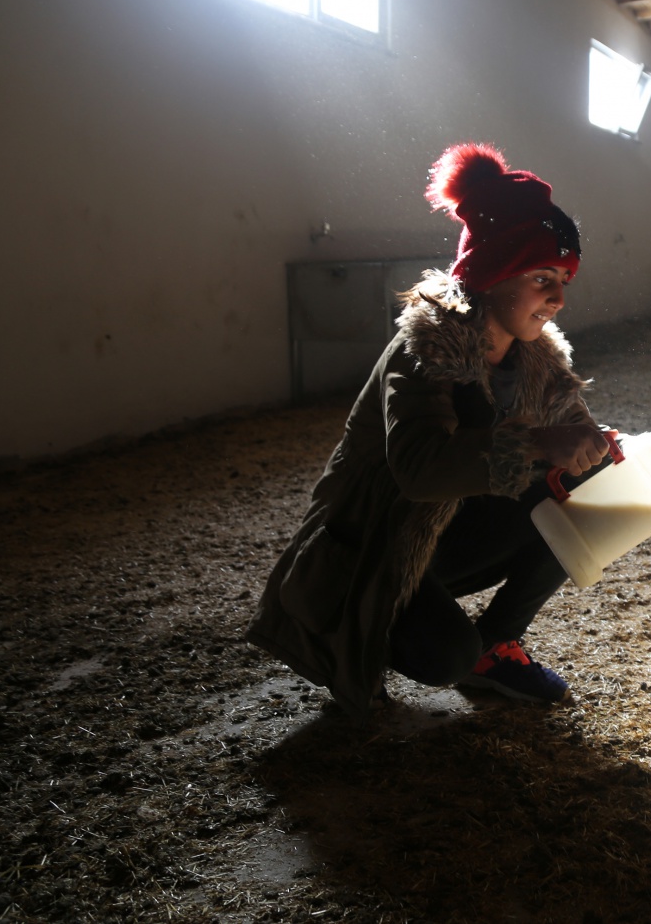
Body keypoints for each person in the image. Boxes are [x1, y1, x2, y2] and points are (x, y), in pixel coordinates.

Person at [247, 144, 610, 718]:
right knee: (444, 658)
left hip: (445, 532)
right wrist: (540, 445)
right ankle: (373, 628)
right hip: (376, 546)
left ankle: (496, 644)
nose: (559, 298)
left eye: (564, 278)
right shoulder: (424, 349)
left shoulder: (534, 358)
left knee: (597, 487)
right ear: (493, 273)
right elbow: (419, 467)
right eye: (543, 277)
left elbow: (581, 438)